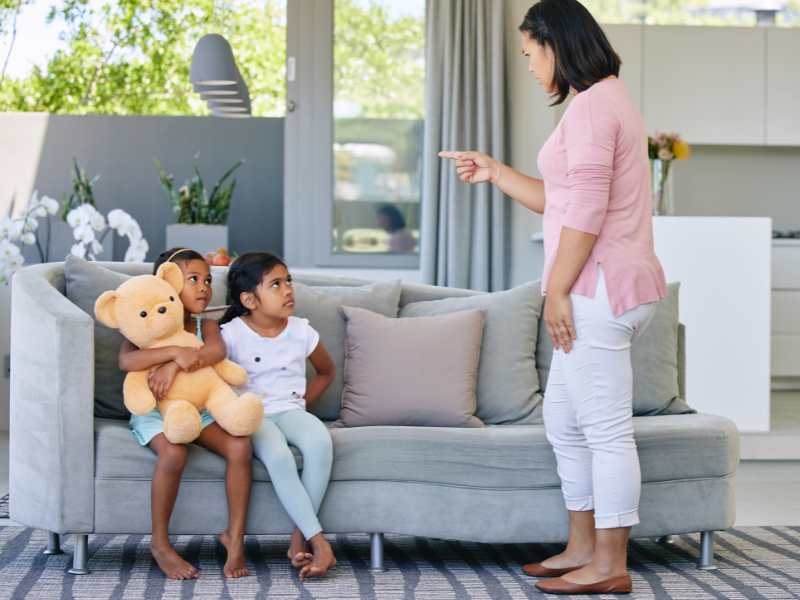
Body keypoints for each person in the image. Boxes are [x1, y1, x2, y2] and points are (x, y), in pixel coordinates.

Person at [439, 0, 667, 594]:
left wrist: (558, 289)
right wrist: (493, 171)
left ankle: (611, 566)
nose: (529, 65)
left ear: (553, 44)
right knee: (565, 423)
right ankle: (582, 546)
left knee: (603, 429)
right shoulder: (602, 101)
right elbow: (563, 200)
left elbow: (587, 212)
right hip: (607, 287)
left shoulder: (595, 108)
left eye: (529, 53)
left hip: (599, 289)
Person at [119, 247, 253, 580]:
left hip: (199, 409)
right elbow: (128, 362)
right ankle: (160, 544)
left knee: (240, 446)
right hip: (154, 410)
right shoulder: (143, 321)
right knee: (174, 453)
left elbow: (215, 351)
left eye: (207, 279)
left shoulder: (203, 325)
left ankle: (234, 537)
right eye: (192, 279)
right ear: (164, 284)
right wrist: (174, 353)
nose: (204, 287)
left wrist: (172, 367)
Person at [219, 252, 338, 581]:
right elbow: (216, 380)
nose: (288, 289)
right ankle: (319, 541)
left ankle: (298, 538)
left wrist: (301, 402)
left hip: (290, 410)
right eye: (275, 284)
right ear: (249, 299)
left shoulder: (301, 330)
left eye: (288, 281)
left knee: (320, 444)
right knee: (279, 457)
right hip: (254, 417)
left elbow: (326, 372)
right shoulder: (231, 334)